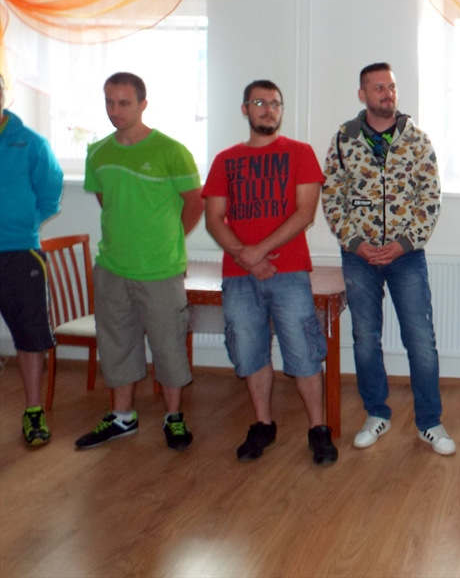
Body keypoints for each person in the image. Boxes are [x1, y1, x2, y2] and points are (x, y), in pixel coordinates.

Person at [321, 62, 454, 455]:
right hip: (359, 257)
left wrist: (404, 243)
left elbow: (430, 198)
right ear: (362, 94)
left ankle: (430, 422)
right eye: (378, 87)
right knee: (365, 339)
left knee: (421, 341)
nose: (387, 93)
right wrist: (355, 242)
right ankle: (376, 413)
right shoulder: (344, 139)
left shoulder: (417, 140)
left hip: (406, 256)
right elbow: (332, 195)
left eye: (391, 87)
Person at [203, 80, 337, 466]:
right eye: (259, 103)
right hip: (238, 275)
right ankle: (263, 424)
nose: (268, 110)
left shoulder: (300, 153)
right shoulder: (225, 159)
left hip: (289, 271)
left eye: (275, 103)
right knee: (250, 351)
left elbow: (305, 213)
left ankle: (318, 429)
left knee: (304, 352)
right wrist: (245, 257)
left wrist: (257, 252)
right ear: (245, 109)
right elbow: (213, 218)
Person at [76, 72, 202, 451]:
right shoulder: (98, 152)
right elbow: (108, 203)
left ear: (143, 104)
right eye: (109, 102)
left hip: (160, 271)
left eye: (124, 103)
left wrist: (168, 241)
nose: (115, 110)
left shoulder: (171, 150)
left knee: (168, 346)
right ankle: (122, 418)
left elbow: (195, 204)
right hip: (112, 268)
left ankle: (174, 417)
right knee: (116, 345)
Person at [0, 73, 64, 447]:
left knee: (30, 336)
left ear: (3, 95)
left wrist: (24, 223)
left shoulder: (31, 142)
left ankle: (33, 412)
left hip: (19, 253)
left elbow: (50, 192)